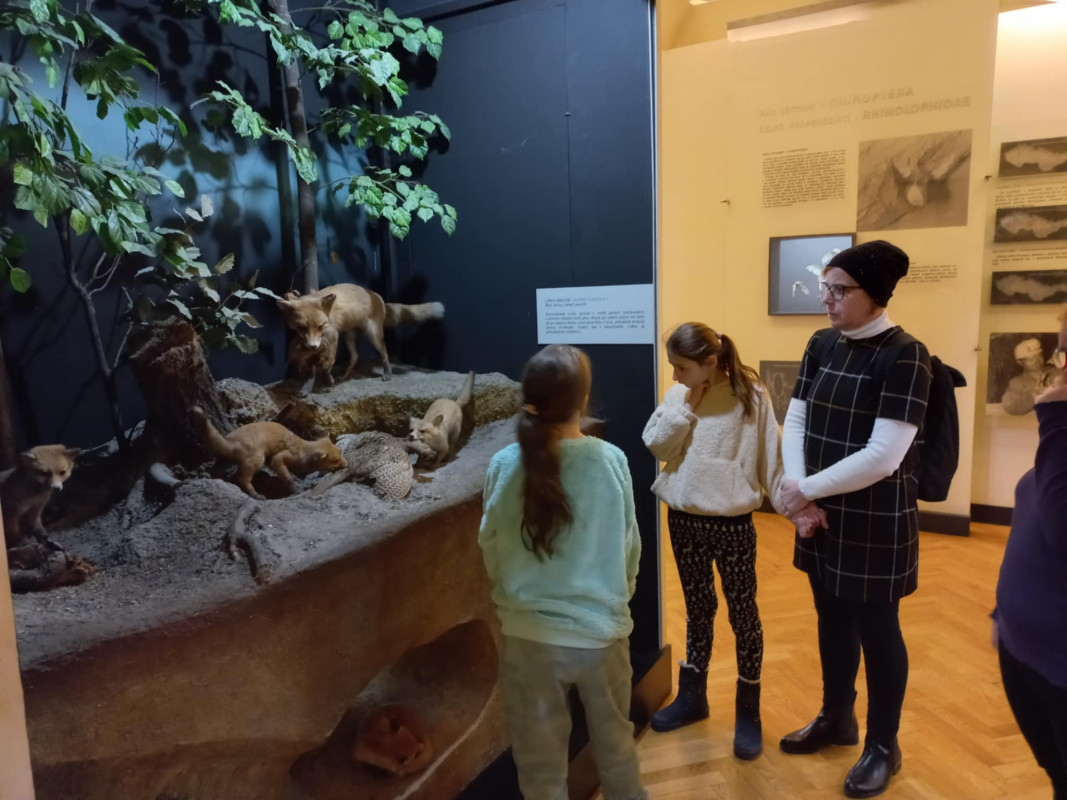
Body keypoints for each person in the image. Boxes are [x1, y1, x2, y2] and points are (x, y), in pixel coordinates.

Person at [776, 240, 932, 799]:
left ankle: (883, 746)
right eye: (826, 286)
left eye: (840, 290)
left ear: (877, 294)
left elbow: (883, 456)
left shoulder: (905, 354)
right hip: (820, 512)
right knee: (831, 619)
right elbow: (795, 420)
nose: (827, 298)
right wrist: (800, 495)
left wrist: (803, 492)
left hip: (873, 517)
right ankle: (837, 718)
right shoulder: (822, 343)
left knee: (878, 632)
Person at [478, 344, 647, 800]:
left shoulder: (502, 466)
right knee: (617, 748)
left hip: (527, 638)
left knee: (540, 766)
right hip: (601, 636)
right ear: (584, 399)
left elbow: (489, 544)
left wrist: (509, 602)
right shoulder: (610, 461)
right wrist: (619, 600)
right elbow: (629, 546)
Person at [641, 323, 786, 759]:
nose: (674, 375)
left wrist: (794, 508)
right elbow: (657, 448)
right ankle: (693, 697)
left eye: (681, 367)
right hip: (683, 519)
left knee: (744, 614)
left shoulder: (752, 396)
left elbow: (772, 459)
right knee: (698, 609)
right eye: (672, 366)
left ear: (710, 361)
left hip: (732, 523)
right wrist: (685, 408)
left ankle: (748, 711)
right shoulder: (678, 396)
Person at [992, 310, 1067, 799]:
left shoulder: (1060, 430)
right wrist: (1004, 613)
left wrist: (1058, 418)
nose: (1058, 366)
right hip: (1028, 652)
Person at [1002, 337, 1058, 416]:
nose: (1037, 361)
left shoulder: (1058, 373)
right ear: (1020, 362)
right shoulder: (1016, 383)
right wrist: (1034, 395)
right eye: (1031, 359)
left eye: (1039, 356)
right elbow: (1009, 405)